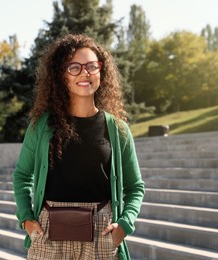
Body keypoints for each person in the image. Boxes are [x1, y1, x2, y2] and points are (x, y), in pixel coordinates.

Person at [12, 34, 145, 260]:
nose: (85, 73)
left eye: (92, 66)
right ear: (61, 75)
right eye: (74, 67)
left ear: (101, 72)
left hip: (101, 238)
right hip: (48, 236)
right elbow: (22, 176)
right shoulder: (41, 126)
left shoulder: (119, 130)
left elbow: (135, 187)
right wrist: (26, 218)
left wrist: (124, 225)